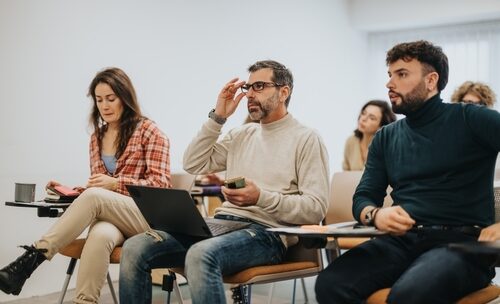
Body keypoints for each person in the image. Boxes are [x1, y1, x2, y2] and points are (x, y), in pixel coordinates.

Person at [119, 60, 329, 304]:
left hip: (266, 234)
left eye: (259, 86)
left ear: (284, 92)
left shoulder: (306, 139)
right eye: (247, 87)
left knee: (200, 254)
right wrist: (218, 117)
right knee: (135, 248)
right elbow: (193, 163)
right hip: (220, 225)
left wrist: (260, 197)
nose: (249, 94)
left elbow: (316, 208)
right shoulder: (241, 134)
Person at [315, 40, 500, 304]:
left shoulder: (471, 118)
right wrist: (376, 215)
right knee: (331, 284)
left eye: (401, 74)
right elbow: (364, 197)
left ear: (431, 80)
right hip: (402, 240)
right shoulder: (386, 137)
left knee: (409, 295)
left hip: (463, 244)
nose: (390, 83)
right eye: (389, 75)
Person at [0, 67, 171, 304]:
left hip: (146, 218)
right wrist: (71, 192)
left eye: (111, 99)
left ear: (125, 98)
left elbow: (161, 186)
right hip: (113, 217)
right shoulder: (97, 138)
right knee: (99, 236)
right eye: (99, 100)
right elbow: (99, 190)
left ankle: (31, 260)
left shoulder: (150, 132)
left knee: (94, 199)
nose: (105, 106)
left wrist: (115, 183)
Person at [343, 100, 396, 171]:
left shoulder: (387, 147)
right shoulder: (351, 141)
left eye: (372, 118)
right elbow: (345, 173)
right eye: (363, 113)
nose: (363, 119)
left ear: (381, 126)